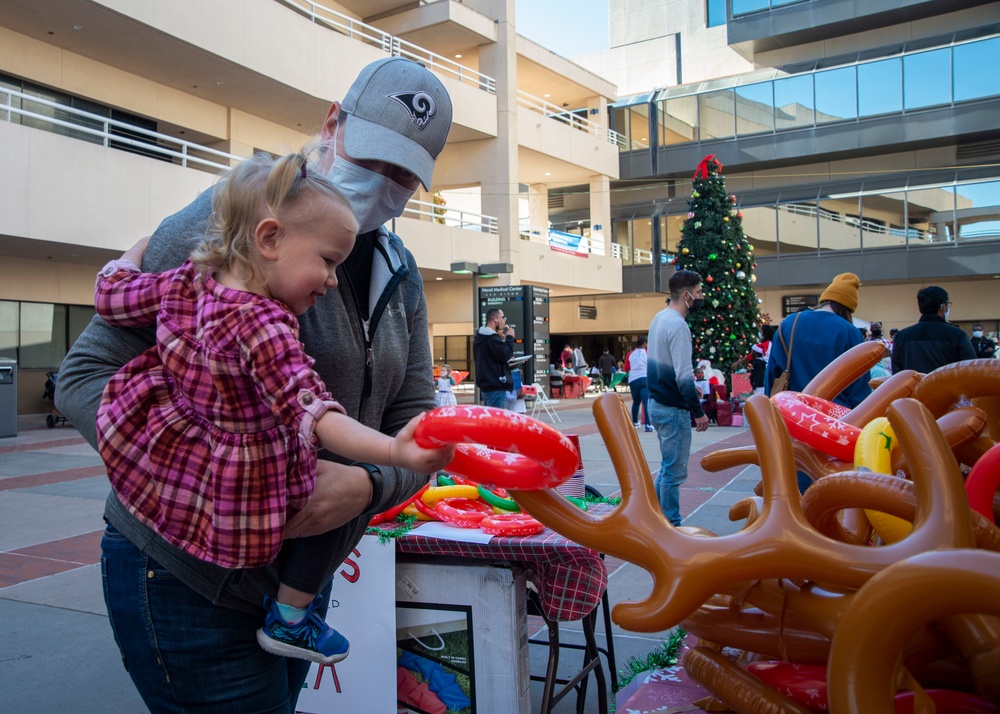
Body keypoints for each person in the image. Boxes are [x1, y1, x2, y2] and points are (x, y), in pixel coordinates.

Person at [56, 56, 453, 712]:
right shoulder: (232, 223)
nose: (384, 185)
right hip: (187, 579)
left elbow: (413, 418)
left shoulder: (396, 268)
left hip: (297, 587)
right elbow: (83, 375)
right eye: (375, 159)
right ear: (333, 123)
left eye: (404, 176)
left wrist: (366, 485)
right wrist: (209, 478)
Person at [765, 273, 871, 492]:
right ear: (849, 307)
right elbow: (859, 388)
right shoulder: (850, 333)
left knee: (794, 482)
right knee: (831, 489)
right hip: (836, 422)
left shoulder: (790, 323)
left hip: (792, 418)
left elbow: (773, 373)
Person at [647, 270, 710, 526]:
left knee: (667, 468)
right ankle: (671, 525)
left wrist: (687, 388)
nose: (701, 297)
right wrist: (698, 412)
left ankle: (654, 515)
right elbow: (683, 375)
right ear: (686, 295)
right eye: (698, 293)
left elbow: (664, 368)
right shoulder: (678, 325)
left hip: (657, 403)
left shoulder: (659, 318)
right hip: (673, 409)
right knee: (674, 472)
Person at [890, 286, 976, 374]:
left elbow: (897, 373)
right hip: (948, 386)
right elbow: (970, 368)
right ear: (943, 307)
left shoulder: (901, 336)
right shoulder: (957, 335)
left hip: (914, 387)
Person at [473, 307, 515, 408]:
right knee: (496, 421)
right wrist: (510, 338)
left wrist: (499, 339)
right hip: (496, 384)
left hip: (487, 384)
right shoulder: (491, 339)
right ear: (495, 320)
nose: (504, 321)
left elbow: (493, 358)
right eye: (503, 317)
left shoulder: (480, 337)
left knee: (490, 419)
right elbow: (505, 355)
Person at [626, 336, 652, 431]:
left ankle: (635, 422)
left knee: (636, 402)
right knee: (646, 402)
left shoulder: (630, 354)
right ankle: (648, 425)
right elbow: (652, 366)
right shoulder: (648, 353)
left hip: (633, 379)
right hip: (644, 378)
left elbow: (627, 368)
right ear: (644, 343)